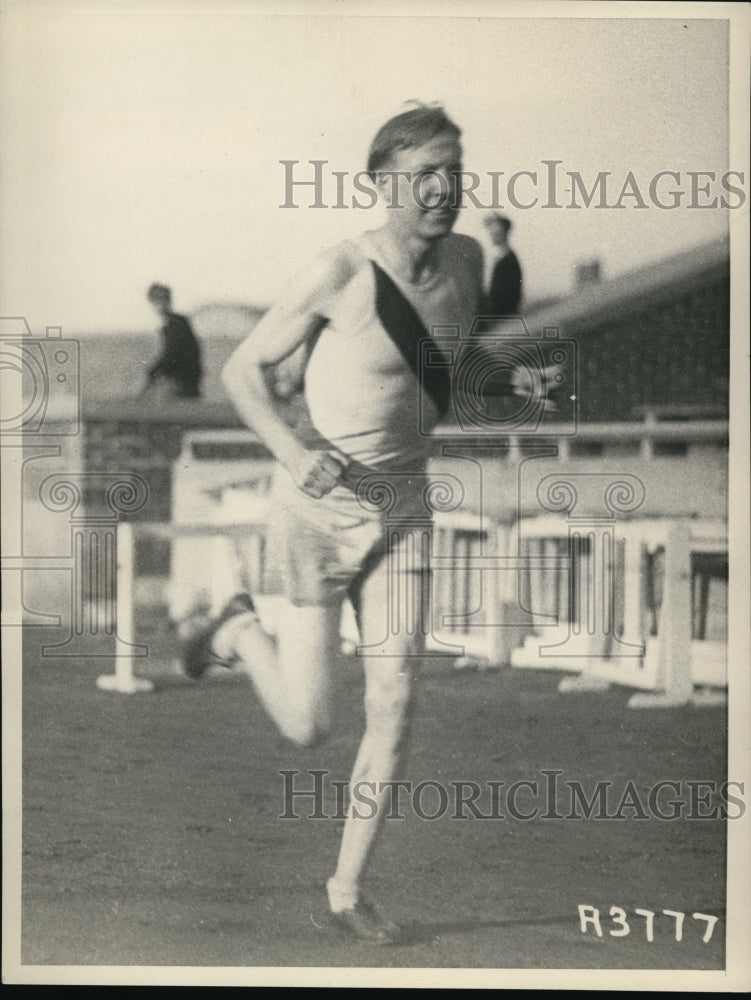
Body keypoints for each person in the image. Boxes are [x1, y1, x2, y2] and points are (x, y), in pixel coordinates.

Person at [182, 105, 532, 945]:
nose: (442, 189)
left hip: (405, 507)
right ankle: (236, 631)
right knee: (309, 726)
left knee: (398, 700)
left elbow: (439, 368)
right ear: (382, 185)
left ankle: (346, 888)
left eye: (453, 170)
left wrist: (509, 389)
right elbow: (242, 370)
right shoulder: (339, 271)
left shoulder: (468, 260)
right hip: (316, 509)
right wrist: (291, 452)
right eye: (423, 176)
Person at [143, 283, 203, 398]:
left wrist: (150, 375)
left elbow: (170, 355)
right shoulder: (181, 322)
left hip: (180, 385)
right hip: (189, 383)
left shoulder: (173, 325)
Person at [483, 213, 523, 316]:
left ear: (505, 233)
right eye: (491, 232)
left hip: (502, 317)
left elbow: (508, 296)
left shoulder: (508, 259)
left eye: (497, 233)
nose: (492, 236)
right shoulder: (498, 257)